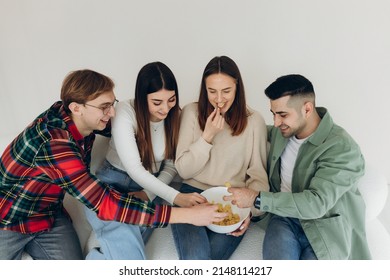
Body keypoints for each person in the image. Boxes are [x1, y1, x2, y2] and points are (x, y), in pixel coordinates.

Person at [0, 69, 227, 260]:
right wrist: (186, 214)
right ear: (76, 107)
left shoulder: (83, 121)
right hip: (8, 220)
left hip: (49, 216)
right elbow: (105, 204)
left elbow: (139, 130)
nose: (112, 113)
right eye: (104, 107)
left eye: (112, 104)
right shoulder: (55, 143)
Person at [225, 74, 371, 260]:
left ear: (307, 109)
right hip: (283, 218)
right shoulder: (282, 132)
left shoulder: (342, 148)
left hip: (323, 227)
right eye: (273, 114)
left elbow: (317, 203)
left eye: (283, 114)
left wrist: (256, 198)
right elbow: (254, 129)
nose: (276, 122)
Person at [84, 62, 206, 260]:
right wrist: (177, 198)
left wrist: (148, 194)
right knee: (131, 256)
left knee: (127, 251)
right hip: (111, 184)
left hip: (151, 187)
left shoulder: (177, 116)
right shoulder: (124, 111)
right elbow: (134, 168)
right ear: (142, 97)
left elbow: (172, 165)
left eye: (171, 99)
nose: (165, 108)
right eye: (157, 102)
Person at [172, 56, 269, 260]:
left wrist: (249, 212)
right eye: (212, 91)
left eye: (226, 91)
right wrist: (207, 136)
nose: (219, 99)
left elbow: (258, 177)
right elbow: (183, 170)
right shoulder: (191, 112)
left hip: (232, 199)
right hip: (192, 196)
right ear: (204, 89)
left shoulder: (254, 122)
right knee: (195, 258)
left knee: (213, 260)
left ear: (237, 88)